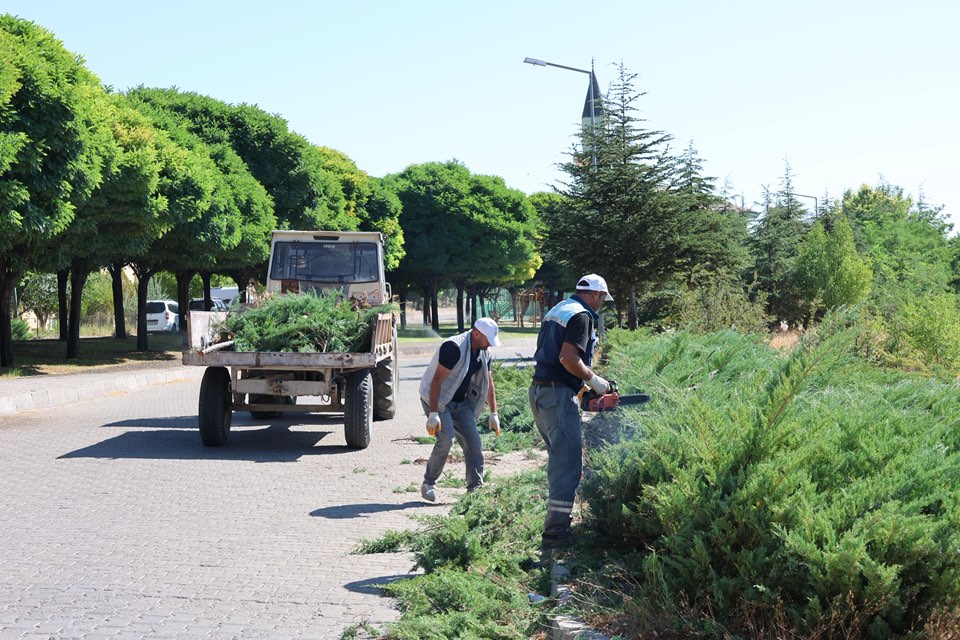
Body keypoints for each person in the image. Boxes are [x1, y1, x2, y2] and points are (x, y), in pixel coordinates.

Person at [529, 274, 615, 547]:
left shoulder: (560, 309)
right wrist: (595, 381)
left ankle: (557, 527)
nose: (602, 304)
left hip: (543, 392)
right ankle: (556, 536)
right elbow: (567, 358)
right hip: (556, 395)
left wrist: (584, 395)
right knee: (568, 466)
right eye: (603, 299)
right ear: (597, 295)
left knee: (560, 462)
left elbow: (554, 359)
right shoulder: (582, 315)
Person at [419, 317, 502, 502]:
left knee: (474, 443)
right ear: (476, 333)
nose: (489, 344)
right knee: (446, 439)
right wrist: (433, 414)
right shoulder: (453, 348)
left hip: (460, 402)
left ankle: (475, 489)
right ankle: (428, 483)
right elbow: (436, 381)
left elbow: (489, 383)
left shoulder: (483, 352)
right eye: (487, 339)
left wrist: (493, 413)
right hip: (438, 400)